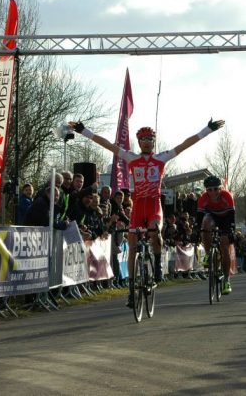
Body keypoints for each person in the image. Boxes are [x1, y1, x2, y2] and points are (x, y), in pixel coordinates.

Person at [71, 118, 225, 308]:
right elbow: (108, 145)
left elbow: (184, 145)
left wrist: (207, 130)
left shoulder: (161, 158)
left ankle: (158, 265)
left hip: (153, 204)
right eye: (143, 139)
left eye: (150, 139)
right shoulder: (131, 158)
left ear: (154, 142)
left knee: (154, 230)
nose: (146, 142)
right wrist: (83, 130)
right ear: (139, 142)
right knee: (133, 241)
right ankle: (131, 290)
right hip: (138, 206)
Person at [196, 175, 236, 295]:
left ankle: (227, 280)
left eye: (215, 189)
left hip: (226, 219)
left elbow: (232, 216)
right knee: (205, 224)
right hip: (212, 217)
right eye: (209, 190)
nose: (212, 192)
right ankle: (209, 254)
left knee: (224, 244)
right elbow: (199, 218)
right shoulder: (203, 198)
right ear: (206, 190)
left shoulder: (227, 196)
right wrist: (198, 232)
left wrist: (231, 231)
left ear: (220, 188)